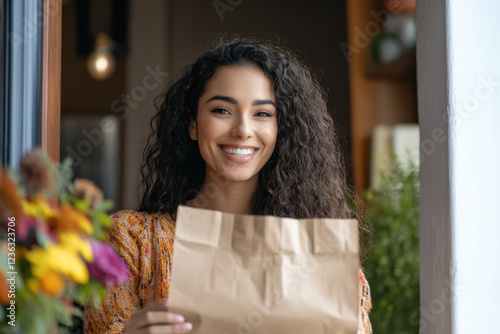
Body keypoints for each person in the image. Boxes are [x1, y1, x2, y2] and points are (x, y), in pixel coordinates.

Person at [84, 38, 372, 333]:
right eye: (222, 110)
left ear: (280, 130)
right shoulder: (132, 240)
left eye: (262, 114)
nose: (242, 130)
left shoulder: (321, 259)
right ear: (193, 124)